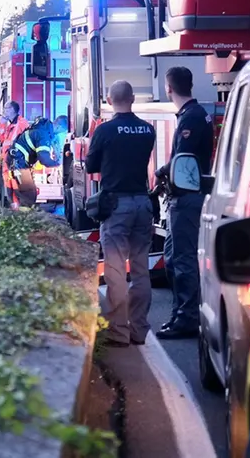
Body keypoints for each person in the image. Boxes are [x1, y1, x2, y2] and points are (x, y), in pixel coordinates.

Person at [85, 81, 156, 347]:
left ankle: (119, 331)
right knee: (141, 270)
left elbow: (92, 165)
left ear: (108, 99)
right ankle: (139, 330)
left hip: (117, 206)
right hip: (142, 203)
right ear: (133, 98)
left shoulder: (105, 131)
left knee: (115, 271)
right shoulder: (147, 130)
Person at [155, 67, 214, 339]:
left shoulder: (191, 118)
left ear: (169, 88)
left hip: (187, 196)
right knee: (171, 258)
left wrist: (161, 172)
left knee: (183, 260)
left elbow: (184, 159)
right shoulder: (195, 113)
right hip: (185, 195)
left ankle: (187, 318)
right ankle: (180, 313)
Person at [6, 115, 67, 208]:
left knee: (22, 195)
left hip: (16, 162)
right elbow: (44, 159)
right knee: (29, 196)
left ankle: (20, 217)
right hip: (19, 164)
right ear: (58, 127)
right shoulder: (43, 134)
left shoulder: (41, 129)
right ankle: (25, 219)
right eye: (60, 132)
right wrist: (58, 164)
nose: (57, 135)